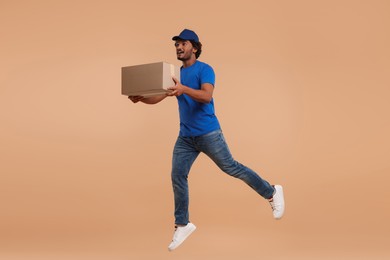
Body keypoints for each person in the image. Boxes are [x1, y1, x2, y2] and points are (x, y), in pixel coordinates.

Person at [128, 29, 285, 251]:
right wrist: (141, 99)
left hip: (209, 133)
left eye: (183, 44)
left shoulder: (205, 69)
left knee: (232, 167)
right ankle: (182, 223)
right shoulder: (176, 74)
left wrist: (183, 89)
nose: (179, 48)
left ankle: (271, 191)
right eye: (176, 45)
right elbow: (160, 96)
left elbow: (206, 96)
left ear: (195, 47)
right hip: (186, 137)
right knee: (177, 175)